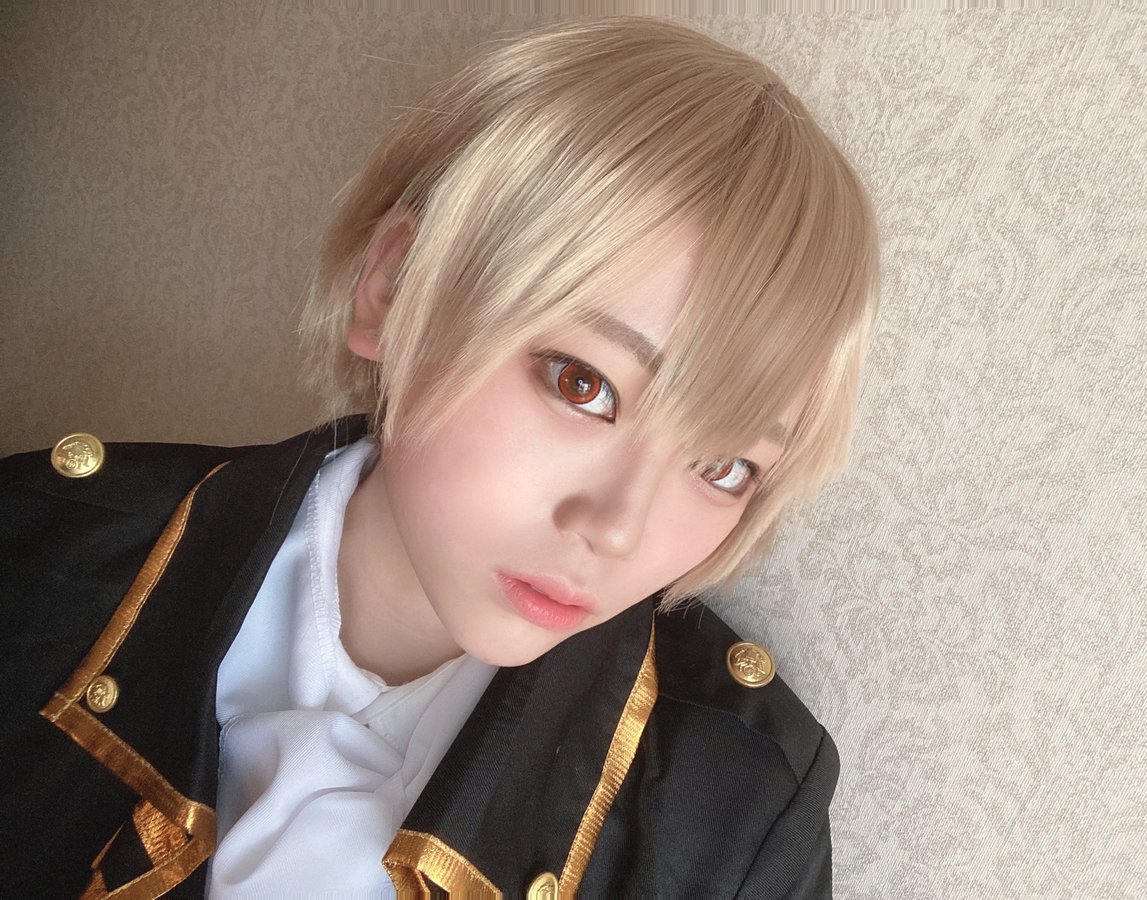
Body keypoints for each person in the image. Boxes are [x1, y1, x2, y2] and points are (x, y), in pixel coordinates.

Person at [0, 15, 878, 898]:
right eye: (583, 385)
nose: (618, 531)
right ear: (395, 288)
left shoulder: (739, 805)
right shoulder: (37, 550)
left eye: (724, 467)